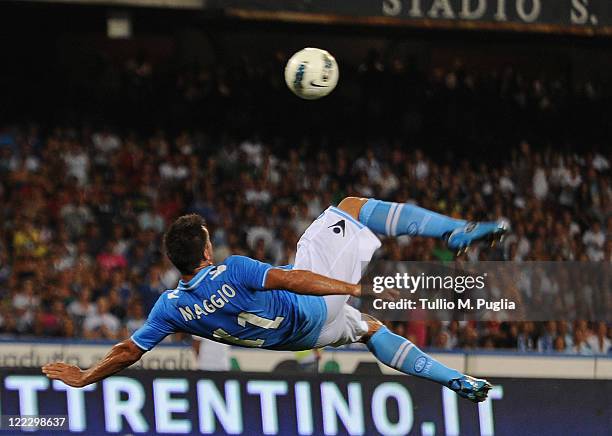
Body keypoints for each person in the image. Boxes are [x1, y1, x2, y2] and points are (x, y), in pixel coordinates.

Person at [42, 197, 507, 403]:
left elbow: (129, 351)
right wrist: (347, 286)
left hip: (298, 338)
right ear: (206, 250)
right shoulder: (235, 268)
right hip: (312, 309)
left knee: (370, 329)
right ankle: (454, 229)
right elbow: (292, 279)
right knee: (351, 207)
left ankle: (455, 380)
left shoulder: (170, 307)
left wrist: (86, 377)